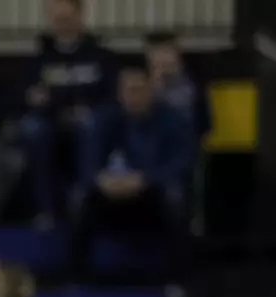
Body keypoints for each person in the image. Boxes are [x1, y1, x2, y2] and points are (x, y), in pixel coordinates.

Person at [72, 66, 195, 279]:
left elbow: (180, 163)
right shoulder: (103, 119)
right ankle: (77, 280)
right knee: (79, 199)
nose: (133, 95)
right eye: (128, 90)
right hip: (109, 193)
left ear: (151, 89)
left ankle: (178, 282)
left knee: (175, 199)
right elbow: (88, 162)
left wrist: (145, 179)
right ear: (119, 93)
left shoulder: (173, 120)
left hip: (150, 194)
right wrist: (101, 179)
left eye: (139, 89)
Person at [18, 0, 114, 229]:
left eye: (67, 18)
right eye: (57, 19)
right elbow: (29, 96)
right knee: (32, 129)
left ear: (80, 16)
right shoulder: (39, 59)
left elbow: (110, 95)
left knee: (91, 123)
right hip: (50, 121)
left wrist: (58, 96)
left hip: (90, 119)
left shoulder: (101, 56)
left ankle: (85, 206)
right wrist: (64, 99)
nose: (62, 24)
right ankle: (46, 210)